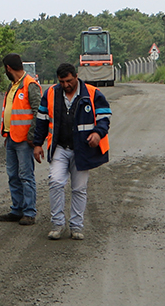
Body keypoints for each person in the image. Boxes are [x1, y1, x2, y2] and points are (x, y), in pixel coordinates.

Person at [29, 62, 111, 241]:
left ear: (76, 76)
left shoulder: (93, 94)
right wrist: (37, 144)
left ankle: (76, 226)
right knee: (56, 182)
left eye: (68, 81)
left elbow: (104, 117)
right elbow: (42, 120)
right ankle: (58, 224)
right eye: (62, 82)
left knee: (79, 188)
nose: (65, 85)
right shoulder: (50, 93)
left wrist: (98, 133)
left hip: (82, 150)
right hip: (60, 147)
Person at [0, 53, 39, 225]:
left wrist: (32, 136)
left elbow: (38, 112)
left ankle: (29, 212)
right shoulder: (13, 86)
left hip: (24, 140)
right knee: (13, 175)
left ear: (8, 68)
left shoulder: (30, 85)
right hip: (11, 138)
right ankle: (17, 209)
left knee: (25, 176)